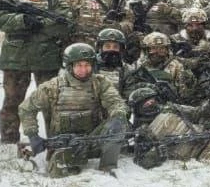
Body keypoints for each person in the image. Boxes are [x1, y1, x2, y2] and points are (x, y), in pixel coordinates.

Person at [0, 0, 74, 144]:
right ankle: (9, 139)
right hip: (15, 58)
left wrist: (41, 24)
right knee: (12, 101)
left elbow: (65, 24)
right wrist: (23, 20)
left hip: (46, 58)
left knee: (50, 101)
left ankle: (55, 138)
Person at [18, 43, 130, 177]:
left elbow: (115, 101)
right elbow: (26, 108)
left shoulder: (100, 83)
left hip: (95, 139)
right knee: (62, 172)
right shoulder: (53, 86)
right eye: (79, 65)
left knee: (118, 124)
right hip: (65, 144)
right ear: (69, 66)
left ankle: (108, 167)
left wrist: (118, 116)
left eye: (87, 65)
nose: (84, 70)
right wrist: (33, 135)